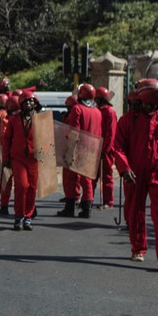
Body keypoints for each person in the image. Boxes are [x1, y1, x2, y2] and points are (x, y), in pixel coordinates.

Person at [114, 79, 158, 268]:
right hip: (134, 173)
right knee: (135, 210)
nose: (152, 107)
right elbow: (117, 148)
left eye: (155, 104)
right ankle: (138, 249)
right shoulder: (127, 121)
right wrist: (124, 168)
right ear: (139, 101)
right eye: (148, 104)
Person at [57, 84, 102, 218]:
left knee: (72, 178)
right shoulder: (97, 112)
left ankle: (70, 208)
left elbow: (74, 131)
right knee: (87, 178)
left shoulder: (77, 109)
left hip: (78, 148)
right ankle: (87, 208)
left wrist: (70, 150)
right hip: (91, 148)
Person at [2, 91, 41, 231]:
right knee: (21, 185)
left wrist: (46, 157)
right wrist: (5, 158)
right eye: (26, 102)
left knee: (32, 188)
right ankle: (18, 216)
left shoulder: (41, 119)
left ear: (35, 103)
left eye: (31, 101)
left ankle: (28, 217)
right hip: (18, 158)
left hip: (34, 159)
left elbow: (48, 140)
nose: (29, 104)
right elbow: (7, 140)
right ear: (21, 104)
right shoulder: (14, 120)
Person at [94, 87, 117, 209]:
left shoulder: (109, 112)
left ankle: (109, 201)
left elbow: (111, 133)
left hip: (105, 150)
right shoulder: (97, 110)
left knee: (106, 176)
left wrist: (105, 150)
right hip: (96, 148)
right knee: (93, 175)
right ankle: (88, 199)